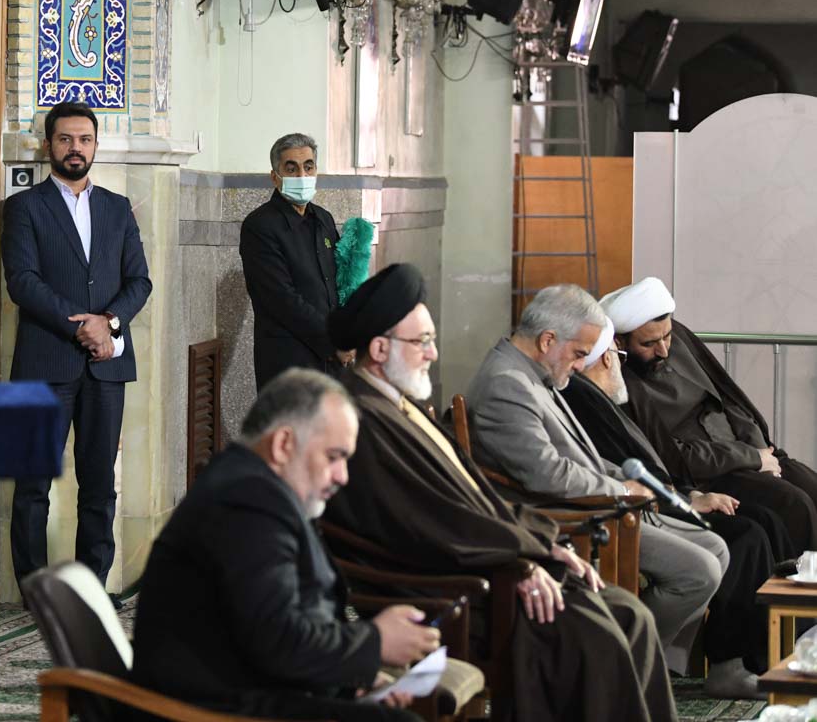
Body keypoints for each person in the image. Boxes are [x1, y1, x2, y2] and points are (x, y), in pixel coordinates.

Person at [321, 264, 676, 722]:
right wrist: (520, 561)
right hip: (454, 592)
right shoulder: (361, 419)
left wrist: (544, 545)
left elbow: (476, 497)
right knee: (595, 635)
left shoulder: (399, 404)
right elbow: (427, 521)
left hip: (484, 563)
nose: (433, 353)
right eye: (422, 341)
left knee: (631, 615)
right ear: (379, 348)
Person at [462, 285, 732, 686]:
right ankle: (620, 670)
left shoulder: (531, 372)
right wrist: (621, 491)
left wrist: (626, 480)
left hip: (594, 504)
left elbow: (578, 456)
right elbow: (547, 474)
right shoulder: (507, 383)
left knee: (716, 547)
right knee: (699, 571)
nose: (579, 365)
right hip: (566, 520)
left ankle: (657, 668)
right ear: (548, 340)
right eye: (577, 354)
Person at [132, 369, 438, 721]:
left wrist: (349, 680)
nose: (343, 476)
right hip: (217, 709)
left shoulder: (253, 486)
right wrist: (375, 641)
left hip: (253, 688)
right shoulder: (246, 502)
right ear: (283, 444)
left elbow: (283, 625)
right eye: (334, 456)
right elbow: (278, 639)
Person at [563, 322, 791, 685]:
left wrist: (690, 495)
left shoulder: (604, 398)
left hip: (664, 500)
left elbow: (646, 466)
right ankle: (728, 663)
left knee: (765, 521)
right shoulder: (585, 400)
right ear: (607, 357)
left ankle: (763, 657)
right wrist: (685, 499)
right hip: (634, 513)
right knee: (746, 536)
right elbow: (618, 474)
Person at [2, 101, 152, 592]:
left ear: (95, 146)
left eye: (84, 140)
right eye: (65, 139)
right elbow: (23, 282)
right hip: (46, 361)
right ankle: (35, 589)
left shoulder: (116, 208)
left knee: (100, 484)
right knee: (32, 486)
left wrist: (107, 323)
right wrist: (80, 326)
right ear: (49, 145)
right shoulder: (25, 207)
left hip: (106, 366)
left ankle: (91, 586)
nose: (75, 148)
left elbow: (139, 281)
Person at [604, 276, 817, 550]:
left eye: (667, 337)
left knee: (811, 486)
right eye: (649, 344)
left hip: (747, 452)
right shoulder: (621, 384)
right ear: (620, 342)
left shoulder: (680, 338)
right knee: (794, 504)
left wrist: (762, 452)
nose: (664, 350)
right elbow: (672, 456)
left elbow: (728, 399)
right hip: (710, 472)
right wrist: (752, 458)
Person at [240, 132, 349, 387]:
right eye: (291, 169)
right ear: (275, 177)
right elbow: (281, 299)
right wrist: (333, 342)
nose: (302, 175)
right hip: (289, 363)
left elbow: (338, 282)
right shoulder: (260, 226)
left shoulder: (323, 219)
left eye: (308, 167)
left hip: (331, 363)